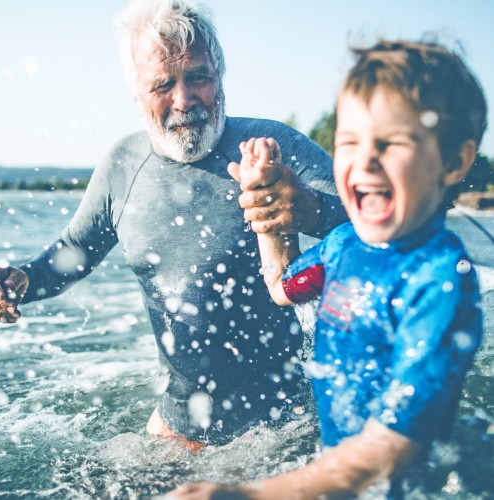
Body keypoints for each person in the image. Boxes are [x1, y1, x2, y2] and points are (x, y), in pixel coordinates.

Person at [0, 0, 346, 448]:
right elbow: (69, 256)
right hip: (176, 432)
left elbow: (386, 227)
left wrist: (311, 209)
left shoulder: (273, 148)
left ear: (219, 72)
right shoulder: (123, 166)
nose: (184, 100)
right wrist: (17, 282)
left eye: (198, 76)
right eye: (163, 84)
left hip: (284, 433)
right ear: (135, 92)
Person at [171, 38, 486, 498]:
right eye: (350, 141)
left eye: (392, 141)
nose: (365, 160)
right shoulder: (342, 246)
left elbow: (395, 445)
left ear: (456, 159)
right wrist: (265, 212)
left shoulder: (438, 280)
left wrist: (256, 494)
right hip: (339, 476)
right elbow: (282, 286)